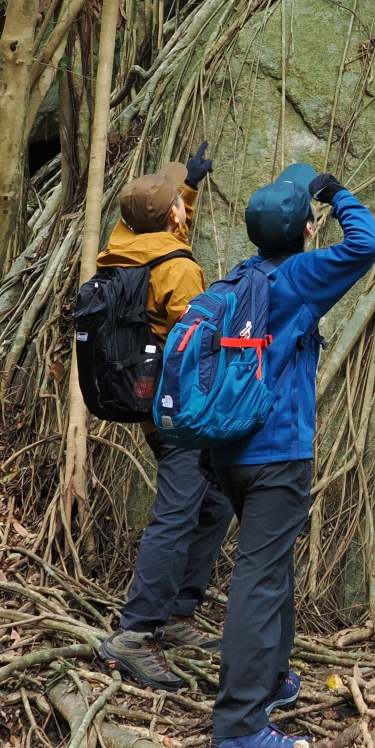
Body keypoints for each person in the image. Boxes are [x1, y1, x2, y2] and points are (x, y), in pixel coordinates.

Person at [208, 163, 375, 748]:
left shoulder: (238, 278)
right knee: (257, 578)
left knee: (271, 565)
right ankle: (238, 725)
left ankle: (273, 680)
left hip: (226, 452)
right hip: (277, 455)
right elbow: (367, 243)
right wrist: (334, 193)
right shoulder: (302, 276)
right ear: (307, 229)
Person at [95, 145, 235, 691]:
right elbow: (195, 345)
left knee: (214, 499)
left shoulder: (123, 244)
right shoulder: (178, 270)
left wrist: (188, 189)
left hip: (150, 404)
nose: (182, 204)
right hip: (180, 409)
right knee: (178, 513)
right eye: (178, 199)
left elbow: (166, 240)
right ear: (170, 214)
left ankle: (176, 615)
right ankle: (136, 632)